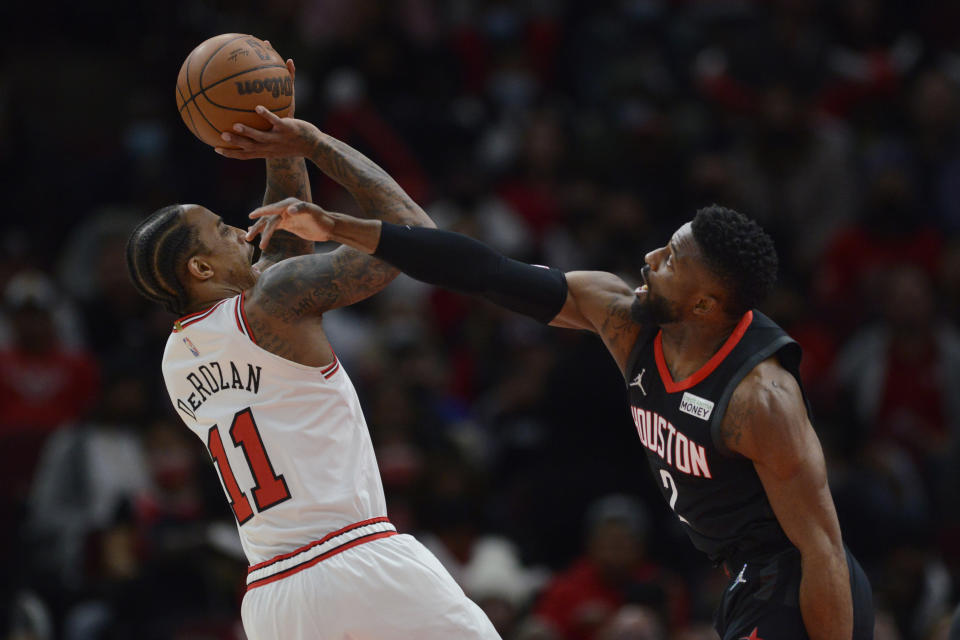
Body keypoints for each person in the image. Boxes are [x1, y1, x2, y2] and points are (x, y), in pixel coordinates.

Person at [230, 112, 873, 639]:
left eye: (672, 260)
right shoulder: (620, 316)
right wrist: (336, 212)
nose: (650, 258)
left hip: (797, 584)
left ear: (706, 305)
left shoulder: (762, 401)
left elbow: (822, 550)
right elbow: (479, 269)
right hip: (740, 575)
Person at [125, 82, 500, 638]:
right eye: (222, 230)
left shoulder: (177, 361)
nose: (238, 229)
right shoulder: (270, 304)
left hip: (272, 601)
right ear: (201, 270)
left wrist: (278, 132)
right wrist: (317, 142)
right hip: (356, 559)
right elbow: (421, 239)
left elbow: (283, 257)